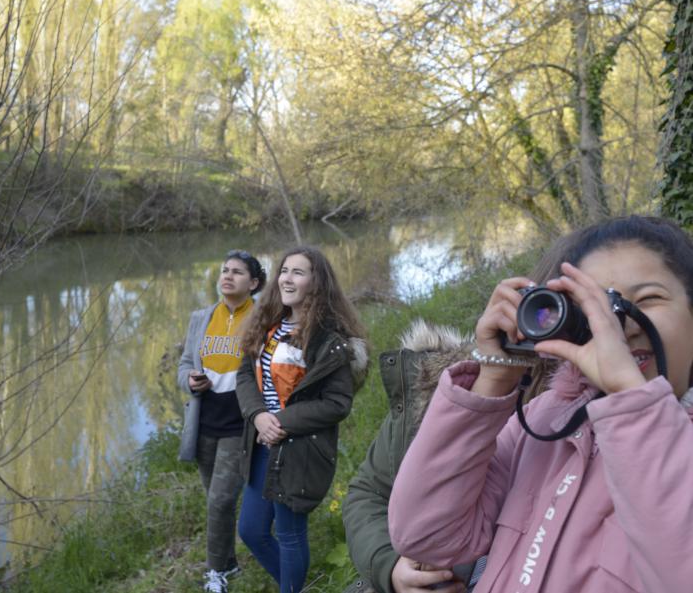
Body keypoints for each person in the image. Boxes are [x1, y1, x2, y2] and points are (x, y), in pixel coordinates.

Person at [388, 215, 693, 593]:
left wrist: (634, 400)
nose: (619, 326)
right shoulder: (544, 419)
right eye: (593, 306)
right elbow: (426, 535)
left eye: (648, 299)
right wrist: (494, 377)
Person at [342, 239, 567, 593]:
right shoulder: (442, 387)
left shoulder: (614, 430)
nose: (560, 328)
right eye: (547, 310)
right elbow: (368, 492)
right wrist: (392, 568)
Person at [235, 245, 368, 593]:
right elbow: (245, 376)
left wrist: (281, 421)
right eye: (284, 271)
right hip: (262, 443)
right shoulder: (268, 326)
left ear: (316, 282)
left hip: (298, 450)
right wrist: (259, 415)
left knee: (290, 534)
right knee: (251, 530)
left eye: (299, 272)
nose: (287, 278)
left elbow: (337, 403)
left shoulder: (327, 338)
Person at [177, 250, 267, 593]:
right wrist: (190, 379)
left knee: (220, 501)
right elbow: (185, 364)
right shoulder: (202, 317)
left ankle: (216, 574)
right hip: (204, 422)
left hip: (238, 424)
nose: (228, 276)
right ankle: (229, 563)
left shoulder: (262, 319)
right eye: (225, 270)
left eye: (238, 272)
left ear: (253, 283)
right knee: (217, 500)